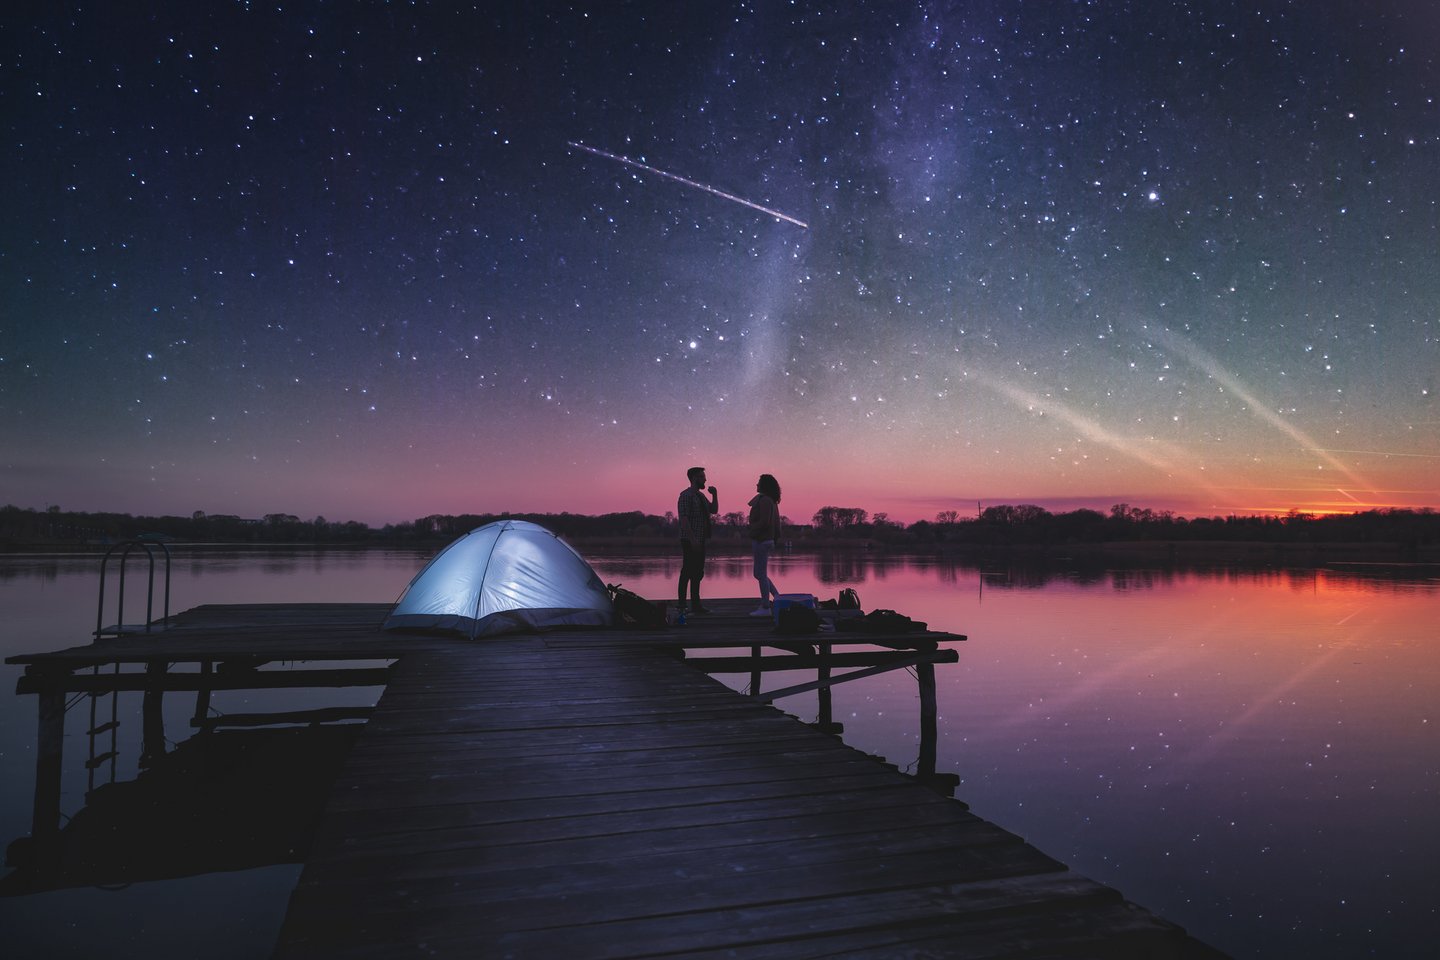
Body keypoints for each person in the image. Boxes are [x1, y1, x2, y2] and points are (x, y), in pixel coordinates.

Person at [676, 466, 718, 615]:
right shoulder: (685, 496)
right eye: (702, 477)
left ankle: (696, 605)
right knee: (687, 571)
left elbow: (713, 510)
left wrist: (715, 494)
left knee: (698, 572)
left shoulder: (700, 496)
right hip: (689, 540)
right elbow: (684, 520)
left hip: (700, 540)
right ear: (694, 478)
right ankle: (682, 605)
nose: (705, 479)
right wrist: (693, 540)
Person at [747, 473, 782, 616]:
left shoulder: (766, 501)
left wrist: (752, 529)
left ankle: (766, 607)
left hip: (762, 540)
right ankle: (777, 597)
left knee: (760, 574)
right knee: (759, 573)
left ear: (764, 486)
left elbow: (765, 522)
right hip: (765, 540)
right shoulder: (770, 500)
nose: (756, 484)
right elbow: (776, 525)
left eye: (759, 482)